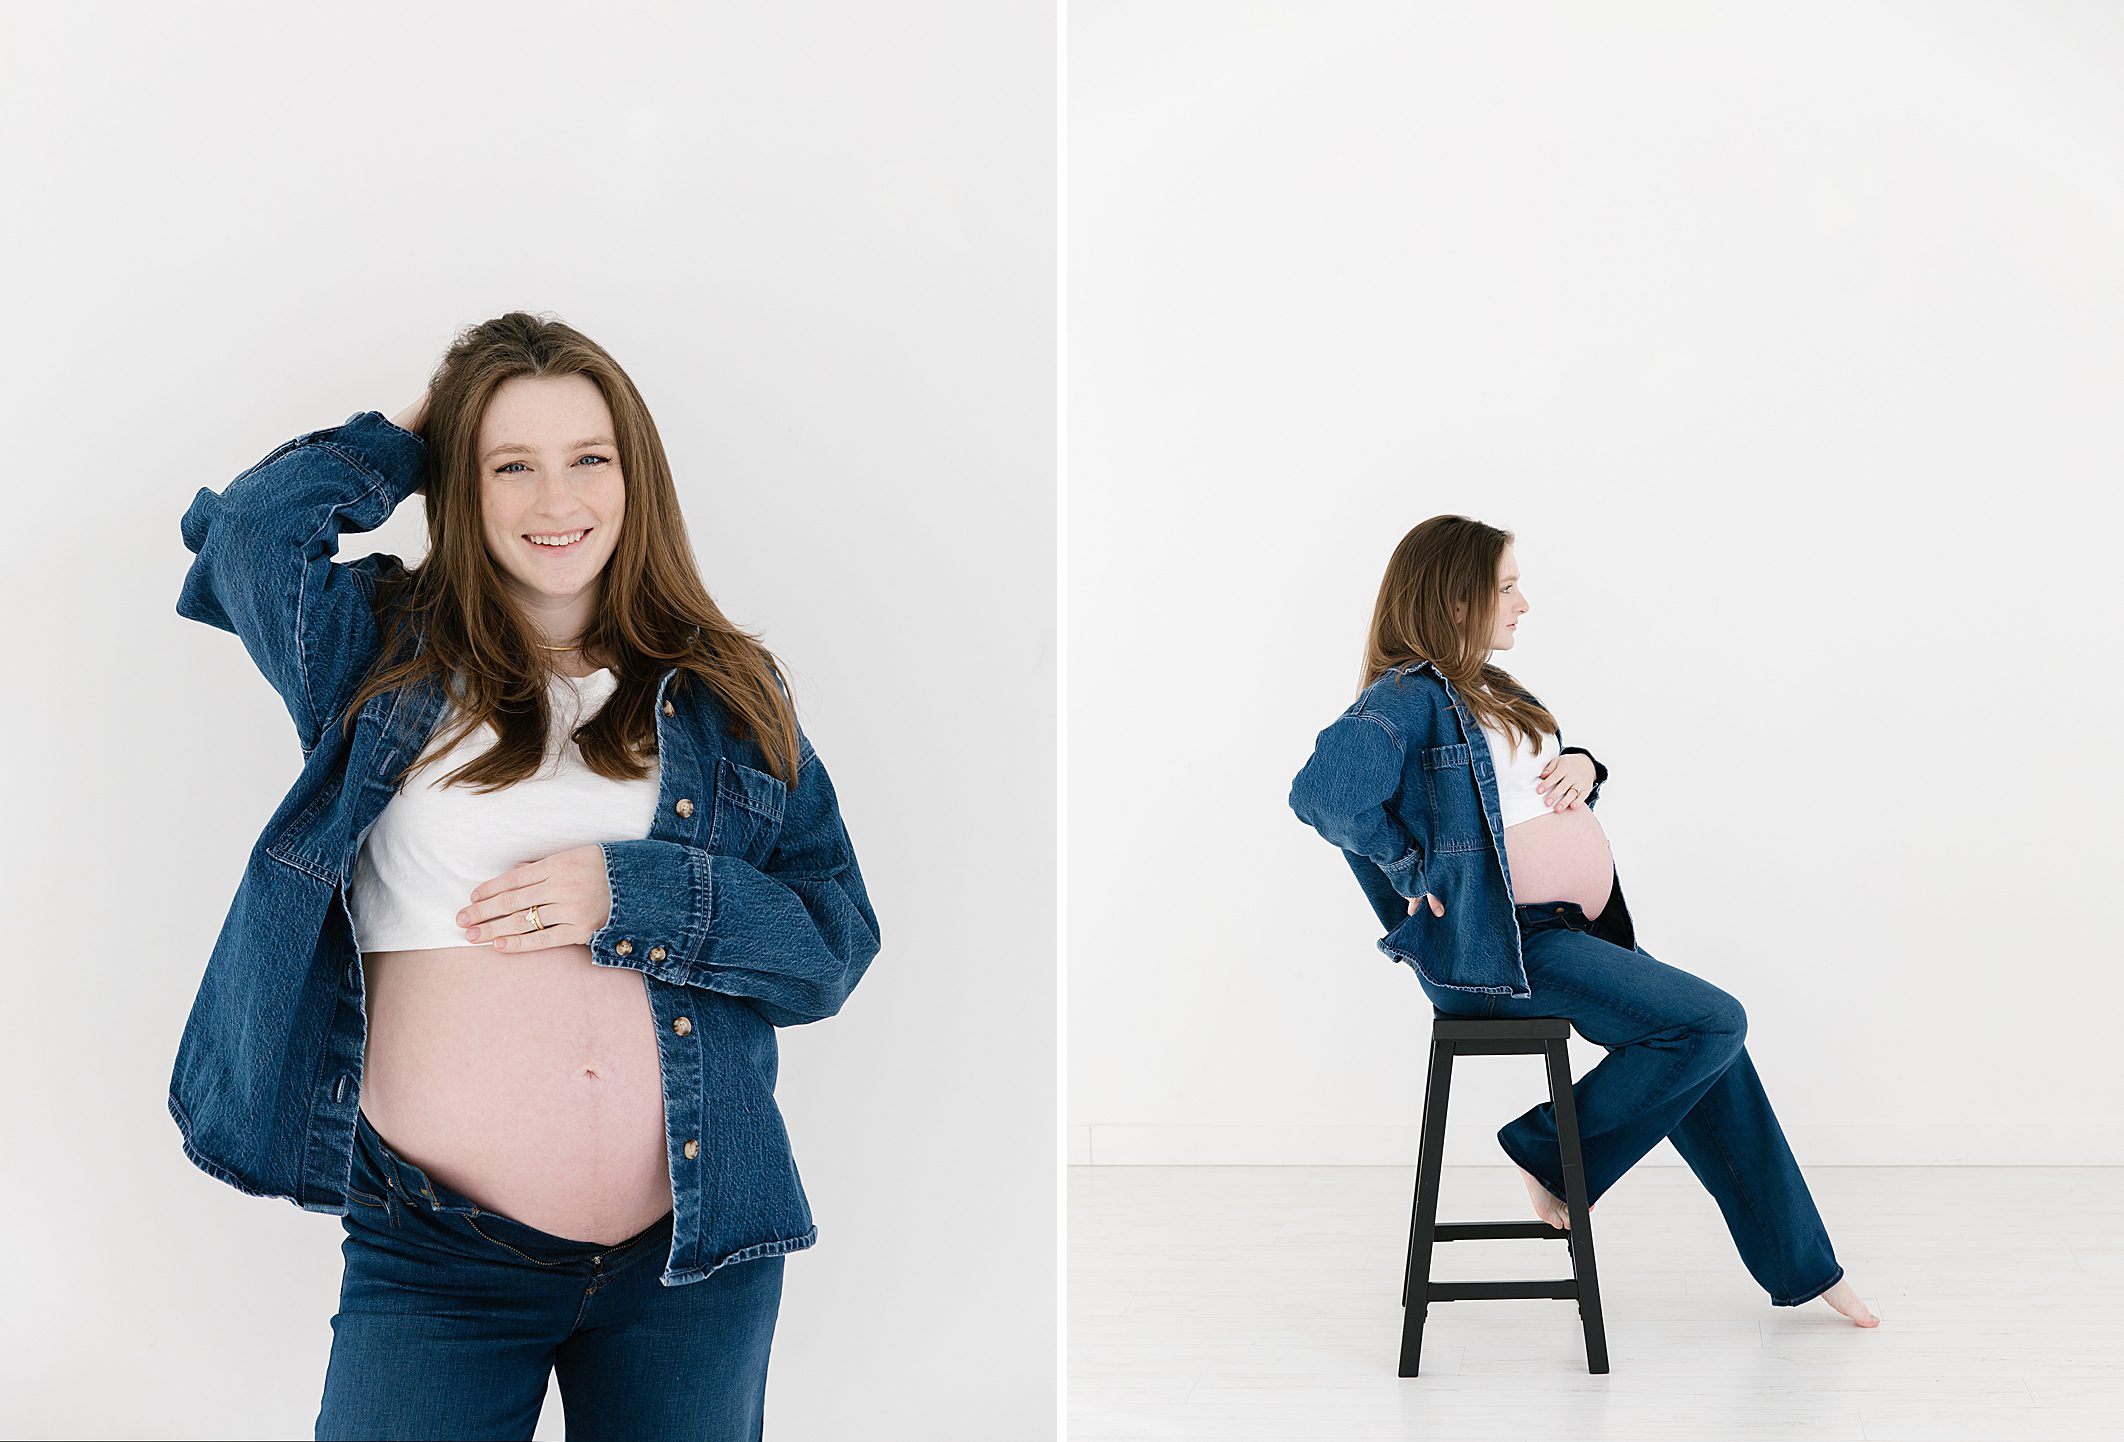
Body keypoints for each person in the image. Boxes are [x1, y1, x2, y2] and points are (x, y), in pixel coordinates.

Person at [171, 311, 883, 1440]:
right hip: (437, 1253)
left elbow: (831, 943)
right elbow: (251, 535)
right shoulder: (376, 651)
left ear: (633, 476)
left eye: (588, 458)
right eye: (512, 464)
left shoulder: (725, 695)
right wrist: (416, 427)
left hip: (691, 1257)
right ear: (463, 479)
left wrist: (634, 895)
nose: (558, 501)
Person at [1287, 514, 1876, 1328]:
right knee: (1713, 1022)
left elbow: (1522, 793)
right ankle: (1548, 1152)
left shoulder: (1491, 691)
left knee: (1713, 1048)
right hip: (1499, 953)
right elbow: (1323, 792)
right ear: (1457, 601)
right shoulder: (1404, 701)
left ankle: (1805, 1270)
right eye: (1506, 587)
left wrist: (1584, 768)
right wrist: (1408, 867)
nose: (1523, 602)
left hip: (1564, 938)